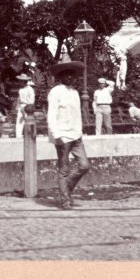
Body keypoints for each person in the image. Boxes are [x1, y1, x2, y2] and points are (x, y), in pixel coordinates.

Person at [47, 61, 90, 210]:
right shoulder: (55, 92)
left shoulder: (75, 93)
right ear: (61, 76)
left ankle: (67, 188)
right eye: (67, 75)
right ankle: (65, 201)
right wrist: (56, 134)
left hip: (76, 135)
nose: (71, 77)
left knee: (84, 165)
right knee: (64, 169)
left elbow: (77, 115)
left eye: (72, 75)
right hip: (62, 136)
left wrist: (80, 132)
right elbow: (51, 115)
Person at [15, 73, 36, 138]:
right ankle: (18, 135)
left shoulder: (30, 89)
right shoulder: (21, 89)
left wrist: (30, 107)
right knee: (19, 120)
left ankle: (29, 134)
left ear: (24, 81)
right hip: (21, 106)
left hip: (27, 106)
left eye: (21, 81)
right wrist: (18, 105)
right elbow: (19, 98)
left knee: (28, 120)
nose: (19, 82)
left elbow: (32, 99)